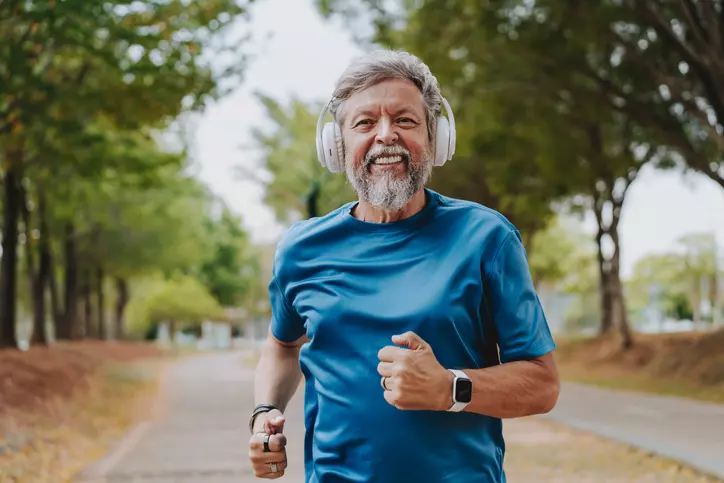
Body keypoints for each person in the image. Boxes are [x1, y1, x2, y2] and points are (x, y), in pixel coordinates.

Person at [247, 49, 560, 482]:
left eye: (405, 120)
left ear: (436, 137)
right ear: (337, 146)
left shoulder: (487, 239)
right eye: (365, 123)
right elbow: (282, 346)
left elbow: (542, 384)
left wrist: (449, 388)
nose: (385, 135)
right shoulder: (303, 248)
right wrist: (266, 412)